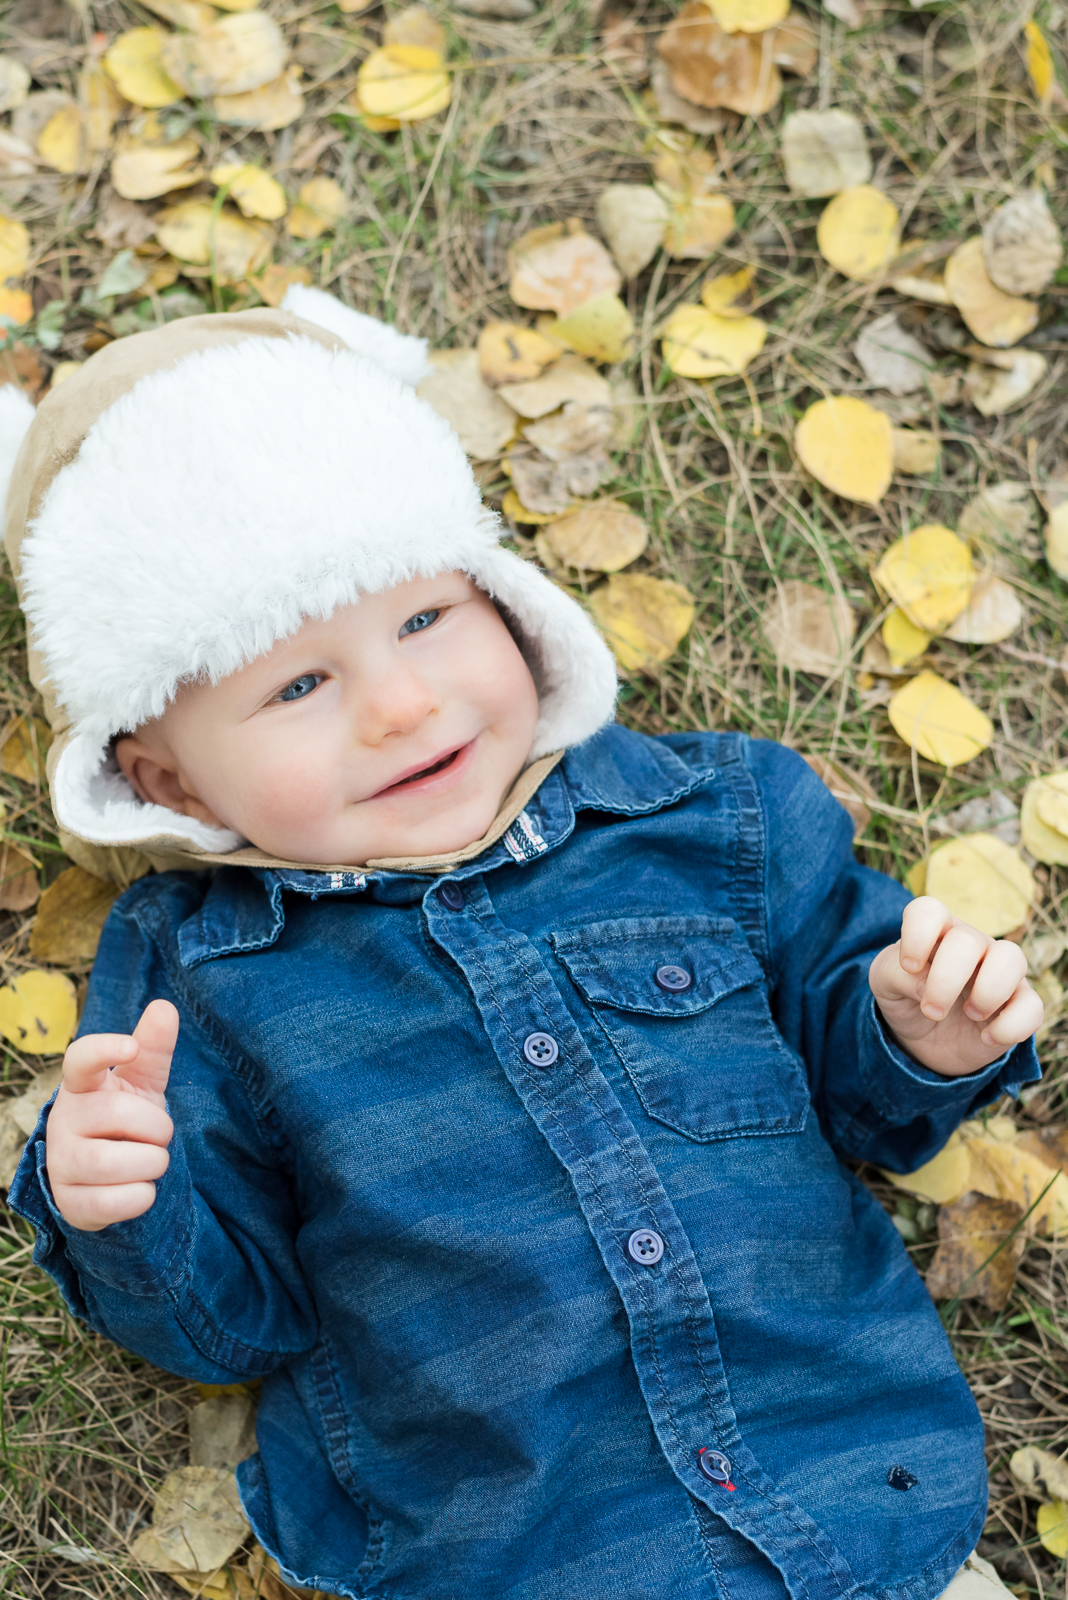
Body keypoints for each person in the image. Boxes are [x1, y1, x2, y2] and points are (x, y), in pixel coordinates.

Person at [3, 288, 1042, 1600]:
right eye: (298, 686)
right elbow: (232, 1324)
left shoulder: (709, 820)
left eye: (426, 618)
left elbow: (856, 1108)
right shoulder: (204, 984)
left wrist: (915, 1034)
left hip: (857, 1504)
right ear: (171, 785)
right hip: (514, 1554)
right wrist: (122, 1207)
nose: (398, 702)